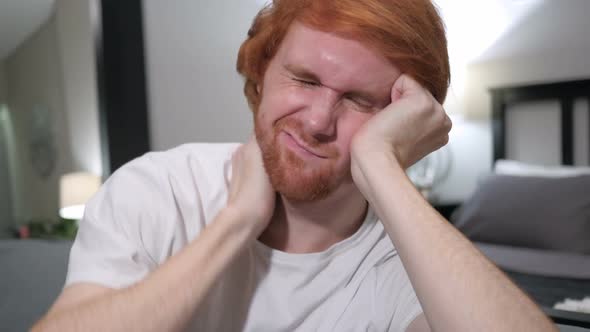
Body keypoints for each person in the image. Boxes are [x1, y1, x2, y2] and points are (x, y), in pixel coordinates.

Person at [33, 0, 557, 331]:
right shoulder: (157, 190)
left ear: (404, 121)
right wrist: (238, 220)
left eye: (360, 100)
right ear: (262, 72)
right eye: (305, 80)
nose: (317, 121)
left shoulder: (406, 259)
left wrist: (381, 165)